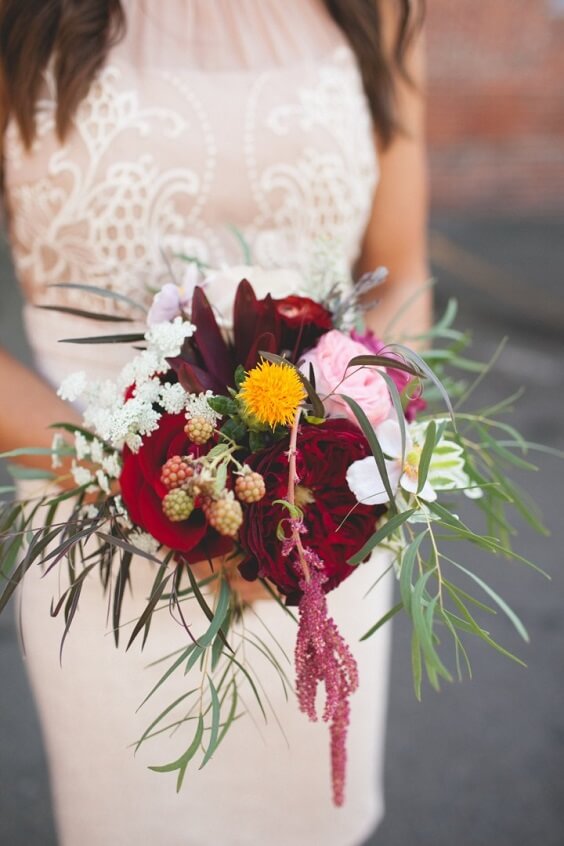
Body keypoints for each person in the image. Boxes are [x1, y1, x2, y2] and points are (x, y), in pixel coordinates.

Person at [0, 1, 430, 844]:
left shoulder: (384, 9)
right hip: (99, 535)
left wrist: (367, 451)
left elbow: (403, 264)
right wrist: (137, 486)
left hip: (324, 535)